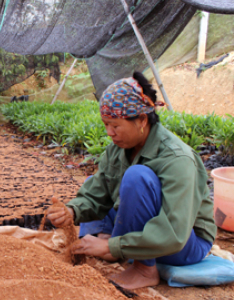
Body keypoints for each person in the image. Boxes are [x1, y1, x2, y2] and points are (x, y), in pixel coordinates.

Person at [47, 72, 216, 290]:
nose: (109, 133)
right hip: (153, 229)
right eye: (106, 125)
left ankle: (143, 269)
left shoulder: (177, 159)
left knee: (137, 177)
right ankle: (112, 243)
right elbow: (99, 192)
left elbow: (175, 233)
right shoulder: (117, 150)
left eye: (115, 126)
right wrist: (71, 211)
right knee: (101, 180)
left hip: (184, 242)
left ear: (142, 121)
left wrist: (112, 246)